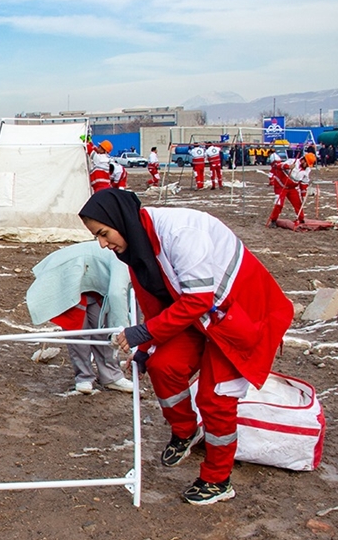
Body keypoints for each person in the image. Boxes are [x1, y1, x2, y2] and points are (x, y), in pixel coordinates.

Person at [79, 189, 293, 505]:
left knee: (215, 397)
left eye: (103, 233)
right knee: (163, 366)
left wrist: (144, 332)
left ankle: (218, 480)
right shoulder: (137, 246)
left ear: (119, 221)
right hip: (199, 317)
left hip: (239, 315)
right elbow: (157, 301)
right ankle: (185, 430)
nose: (102, 243)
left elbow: (198, 299)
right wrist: (147, 346)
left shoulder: (180, 233)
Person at [26, 241, 135, 394]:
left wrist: (118, 329)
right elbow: (117, 293)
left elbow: (129, 300)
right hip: (69, 272)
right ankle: (84, 377)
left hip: (93, 281)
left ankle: (111, 376)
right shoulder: (124, 259)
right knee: (77, 329)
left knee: (102, 327)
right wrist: (122, 329)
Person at [268, 152, 315, 227]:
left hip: (292, 188)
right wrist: (288, 167)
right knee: (279, 204)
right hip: (281, 186)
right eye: (307, 164)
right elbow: (278, 166)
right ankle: (273, 220)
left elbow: (304, 183)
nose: (307, 166)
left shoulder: (307, 170)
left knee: (298, 204)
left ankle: (301, 219)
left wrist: (303, 194)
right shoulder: (292, 161)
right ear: (303, 160)